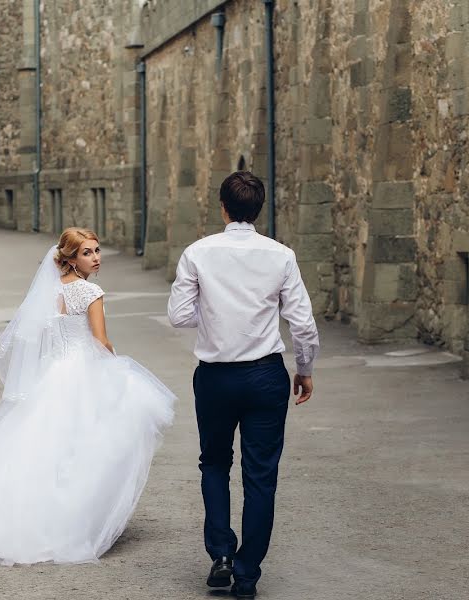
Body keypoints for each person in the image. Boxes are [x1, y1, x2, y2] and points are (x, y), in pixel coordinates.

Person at [0, 227, 175, 565]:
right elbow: (100, 340)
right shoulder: (90, 291)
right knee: (83, 446)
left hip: (53, 374)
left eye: (96, 250)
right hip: (81, 372)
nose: (96, 258)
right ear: (71, 260)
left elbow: (38, 338)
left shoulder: (48, 292)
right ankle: (68, 522)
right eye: (87, 253)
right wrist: (116, 368)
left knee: (34, 446)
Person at [167, 171, 320, 598]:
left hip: (215, 376)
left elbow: (179, 314)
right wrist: (304, 369)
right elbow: (303, 323)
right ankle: (248, 574)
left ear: (222, 207)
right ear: (259, 209)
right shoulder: (281, 256)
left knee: (214, 463)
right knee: (261, 476)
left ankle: (220, 552)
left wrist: (215, 316)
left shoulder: (197, 252)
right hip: (265, 375)